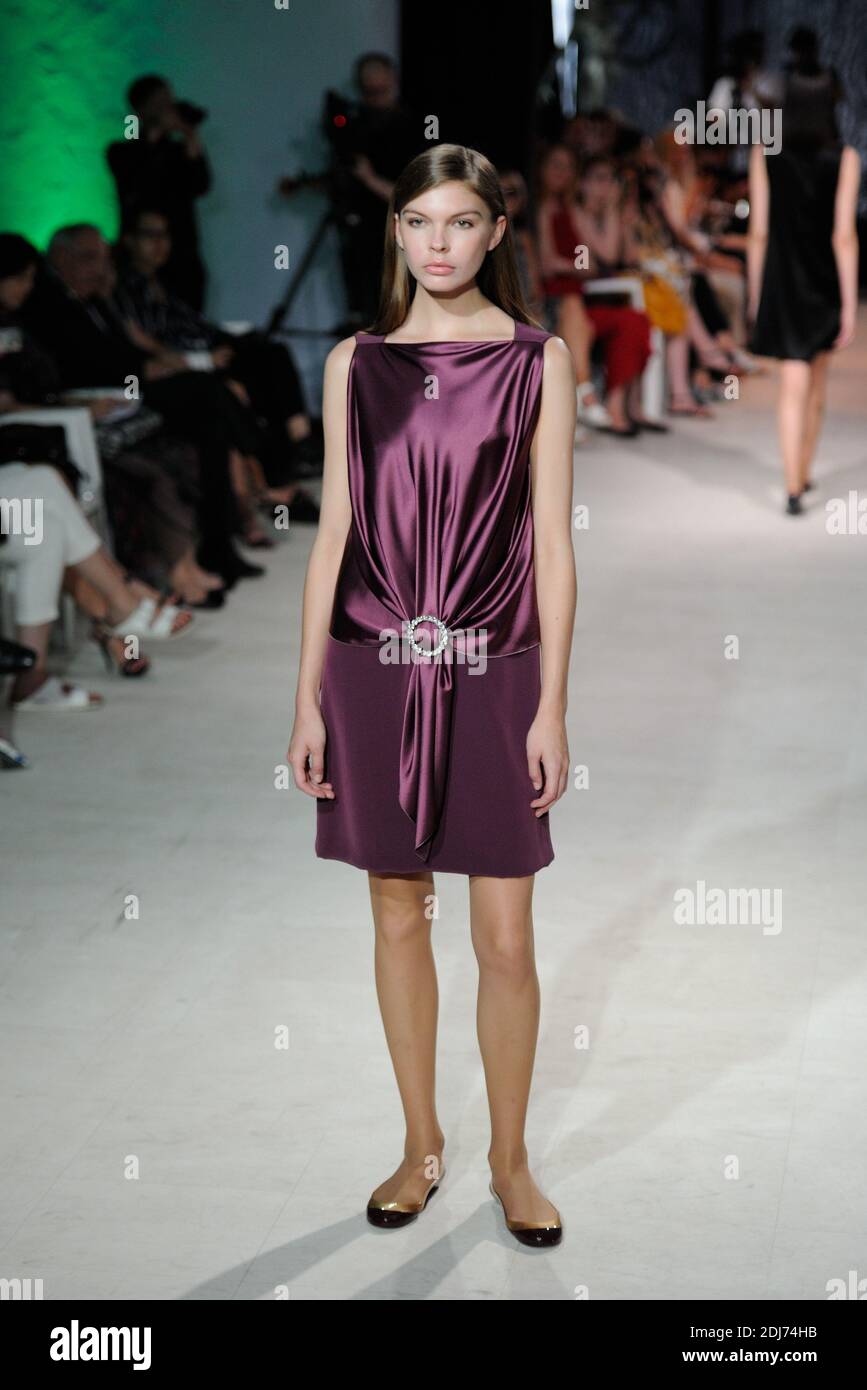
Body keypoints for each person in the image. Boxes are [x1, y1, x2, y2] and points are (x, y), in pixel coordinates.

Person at [287, 144, 576, 1243]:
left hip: (495, 663)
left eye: (460, 222)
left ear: (499, 231)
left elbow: (552, 542)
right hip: (372, 662)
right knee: (396, 912)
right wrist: (307, 698)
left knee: (505, 935)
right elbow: (331, 540)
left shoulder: (537, 360)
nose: (439, 243)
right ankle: (419, 1146)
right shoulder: (354, 363)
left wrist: (551, 702)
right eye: (418, 221)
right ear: (397, 232)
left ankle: (509, 1158)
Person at [747, 65, 860, 513]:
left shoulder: (766, 153)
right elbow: (844, 236)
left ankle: (794, 484)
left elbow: (758, 232)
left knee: (792, 385)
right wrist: (850, 305)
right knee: (815, 383)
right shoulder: (845, 158)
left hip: (783, 278)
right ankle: (804, 472)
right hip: (824, 280)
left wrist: (757, 294)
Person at [537, 144, 652, 436]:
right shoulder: (559, 211)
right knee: (575, 306)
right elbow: (558, 263)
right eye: (599, 178)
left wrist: (615, 212)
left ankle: (617, 407)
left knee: (635, 321)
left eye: (610, 179)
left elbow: (620, 256)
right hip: (564, 296)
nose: (605, 186)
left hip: (590, 295)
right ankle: (586, 395)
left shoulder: (580, 211)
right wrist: (576, 267)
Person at [106, 75, 211, 310]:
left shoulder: (178, 150)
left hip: (182, 254)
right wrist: (154, 131)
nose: (169, 107)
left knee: (188, 320)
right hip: (140, 257)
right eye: (160, 102)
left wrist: (189, 135)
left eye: (169, 101)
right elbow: (138, 177)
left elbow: (201, 186)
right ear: (141, 109)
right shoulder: (122, 151)